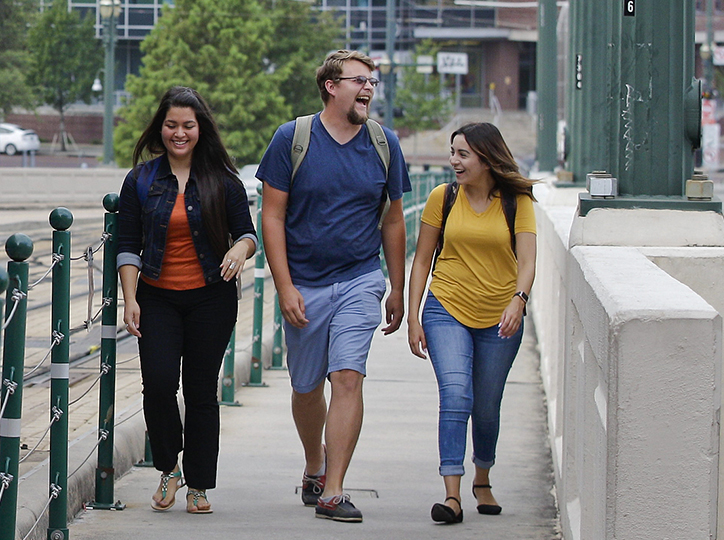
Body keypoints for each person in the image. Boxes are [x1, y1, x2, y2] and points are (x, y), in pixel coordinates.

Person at [255, 49, 411, 523]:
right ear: (331, 86)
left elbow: (394, 220)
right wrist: (284, 286)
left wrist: (397, 288)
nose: (368, 89)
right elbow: (272, 216)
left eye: (373, 82)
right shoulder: (293, 139)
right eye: (359, 80)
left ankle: (334, 490)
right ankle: (314, 465)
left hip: (361, 278)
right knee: (306, 389)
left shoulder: (384, 144)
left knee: (347, 377)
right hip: (304, 283)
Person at [115, 86, 257, 515]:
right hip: (156, 297)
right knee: (158, 385)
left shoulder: (223, 181)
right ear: (161, 127)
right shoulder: (140, 180)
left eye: (188, 126)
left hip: (210, 301)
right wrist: (130, 297)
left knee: (200, 392)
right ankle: (168, 467)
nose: (180, 133)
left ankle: (199, 484)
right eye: (172, 125)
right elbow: (126, 244)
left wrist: (239, 248)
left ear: (201, 129)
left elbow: (248, 233)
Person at [405, 122, 537, 524]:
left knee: (486, 406)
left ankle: (483, 477)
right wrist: (413, 315)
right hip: (447, 307)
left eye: (463, 154)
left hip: (501, 316)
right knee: (457, 395)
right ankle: (452, 494)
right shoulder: (442, 198)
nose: (454, 162)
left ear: (486, 158)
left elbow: (528, 260)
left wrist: (519, 300)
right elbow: (423, 260)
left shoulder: (517, 200)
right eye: (452, 153)